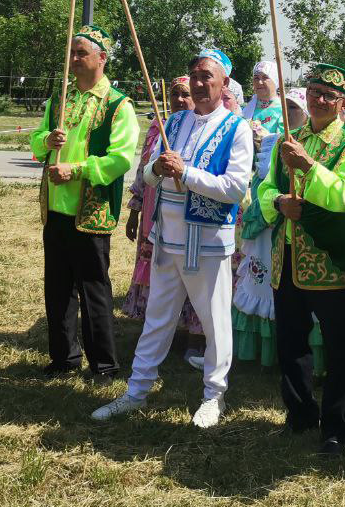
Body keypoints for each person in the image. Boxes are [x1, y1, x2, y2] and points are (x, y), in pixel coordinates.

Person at [93, 48, 253, 428]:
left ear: (223, 83)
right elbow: (148, 176)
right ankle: (136, 391)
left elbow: (234, 188)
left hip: (209, 244)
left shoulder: (237, 128)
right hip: (166, 239)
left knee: (215, 323)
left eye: (207, 77)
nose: (198, 83)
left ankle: (214, 396)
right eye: (194, 75)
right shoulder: (175, 122)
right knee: (157, 319)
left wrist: (187, 172)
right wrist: (156, 168)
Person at [257, 63, 345, 457]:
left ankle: (337, 428)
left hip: (331, 261)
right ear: (305, 95)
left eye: (329, 95)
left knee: (338, 347)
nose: (320, 100)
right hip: (287, 256)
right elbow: (266, 187)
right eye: (314, 91)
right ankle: (299, 413)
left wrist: (308, 166)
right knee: (290, 342)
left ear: (342, 103)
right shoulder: (286, 140)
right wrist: (277, 202)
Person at [28, 24, 138, 381]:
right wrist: (48, 139)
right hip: (56, 208)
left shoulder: (118, 105)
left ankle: (104, 365)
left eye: (81, 54)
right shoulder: (59, 100)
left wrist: (75, 171)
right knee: (57, 288)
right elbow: (34, 143)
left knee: (94, 289)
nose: (73, 60)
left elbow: (121, 159)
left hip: (90, 210)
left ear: (101, 59)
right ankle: (63, 359)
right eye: (71, 54)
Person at [122, 76, 206, 357]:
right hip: (152, 209)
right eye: (175, 95)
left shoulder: (200, 128)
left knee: (190, 272)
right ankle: (159, 334)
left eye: (185, 95)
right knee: (158, 271)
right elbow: (143, 169)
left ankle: (195, 337)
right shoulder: (159, 126)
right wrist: (134, 209)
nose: (180, 100)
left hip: (186, 211)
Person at [234, 87, 308, 368]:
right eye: (286, 108)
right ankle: (266, 352)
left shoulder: (315, 147)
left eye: (295, 109)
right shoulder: (270, 144)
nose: (289, 114)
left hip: (302, 228)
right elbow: (260, 185)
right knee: (264, 283)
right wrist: (273, 206)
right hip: (270, 223)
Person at [241, 60, 284, 142]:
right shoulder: (245, 109)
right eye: (256, 78)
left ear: (275, 80)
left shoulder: (284, 110)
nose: (259, 82)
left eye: (265, 77)